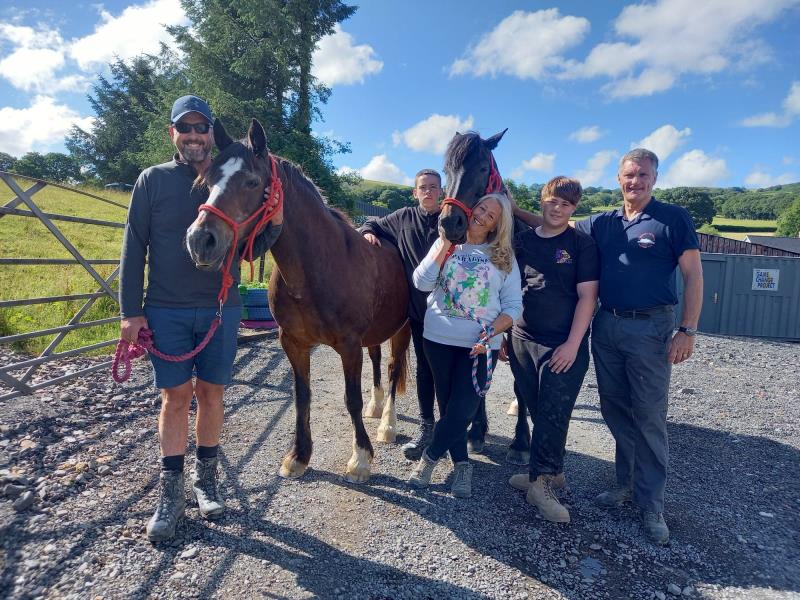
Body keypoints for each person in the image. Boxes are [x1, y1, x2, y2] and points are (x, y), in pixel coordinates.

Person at [119, 95, 281, 542]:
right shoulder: (152, 180)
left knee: (212, 394)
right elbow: (134, 247)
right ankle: (170, 496)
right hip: (166, 308)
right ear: (173, 133)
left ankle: (205, 482)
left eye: (200, 128)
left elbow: (247, 248)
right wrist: (130, 311)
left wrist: (275, 225)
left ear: (211, 133)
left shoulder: (226, 175)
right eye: (184, 128)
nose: (193, 136)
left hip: (220, 308)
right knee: (174, 398)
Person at [572, 149, 703, 544]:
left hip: (651, 328)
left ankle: (652, 504)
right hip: (607, 325)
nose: (636, 181)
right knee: (614, 409)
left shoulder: (672, 219)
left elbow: (694, 275)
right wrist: (505, 206)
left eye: (643, 175)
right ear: (618, 178)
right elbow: (555, 222)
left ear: (655, 178)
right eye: (629, 175)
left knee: (648, 415)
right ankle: (625, 485)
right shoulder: (603, 223)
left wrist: (688, 330)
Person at [407, 193, 522, 498]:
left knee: (464, 409)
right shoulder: (446, 242)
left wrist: (491, 334)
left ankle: (429, 458)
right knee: (447, 406)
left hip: (482, 345)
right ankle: (462, 464)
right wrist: (445, 244)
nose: (483, 215)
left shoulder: (503, 255)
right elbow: (421, 282)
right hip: (438, 339)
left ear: (499, 224)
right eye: (482, 208)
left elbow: (513, 306)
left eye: (492, 214)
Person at [504, 177, 599, 523]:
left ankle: (540, 486)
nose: (557, 209)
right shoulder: (522, 242)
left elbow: (588, 297)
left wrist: (573, 345)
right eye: (552, 202)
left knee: (554, 412)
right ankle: (549, 471)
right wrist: (504, 335)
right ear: (541, 202)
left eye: (566, 204)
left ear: (574, 209)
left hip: (562, 345)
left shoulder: (582, 245)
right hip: (522, 338)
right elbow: (508, 289)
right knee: (534, 409)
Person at [360, 170, 444, 459]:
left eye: (434, 187)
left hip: (452, 312)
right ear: (415, 192)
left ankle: (458, 425)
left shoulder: (451, 217)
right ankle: (426, 427)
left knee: (453, 371)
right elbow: (372, 221)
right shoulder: (404, 217)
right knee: (425, 369)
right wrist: (368, 232)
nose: (429, 192)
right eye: (424, 188)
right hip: (420, 311)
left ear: (441, 191)